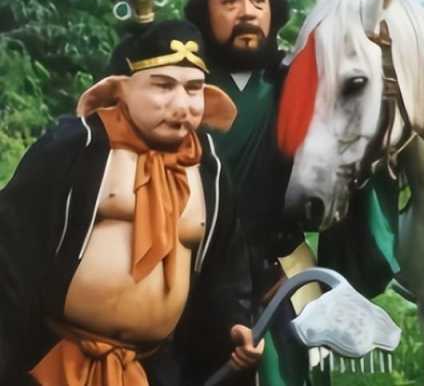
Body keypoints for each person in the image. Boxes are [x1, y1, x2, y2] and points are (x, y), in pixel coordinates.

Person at [0, 19, 263, 386]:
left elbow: (226, 272)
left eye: (193, 89)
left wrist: (235, 324)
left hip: (153, 369)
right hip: (54, 363)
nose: (181, 105)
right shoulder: (77, 147)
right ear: (120, 89)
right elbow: (12, 250)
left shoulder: (211, 168)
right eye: (163, 86)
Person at [184, 0, 320, 386]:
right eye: (230, 0)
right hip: (193, 277)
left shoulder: (299, 83)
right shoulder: (180, 90)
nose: (247, 11)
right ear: (205, 12)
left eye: (257, 0)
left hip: (283, 276)